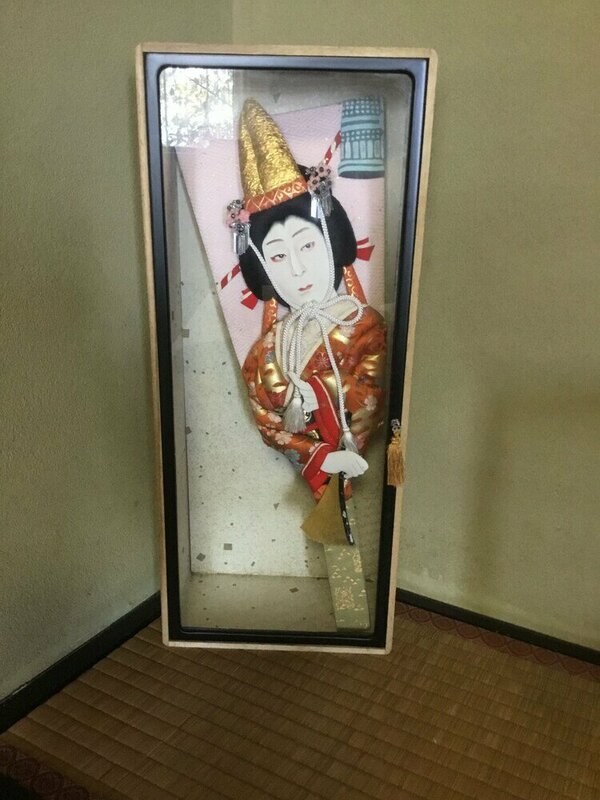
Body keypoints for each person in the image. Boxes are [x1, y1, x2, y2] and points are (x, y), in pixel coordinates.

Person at [229, 99, 386, 519]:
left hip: (355, 466)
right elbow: (268, 422)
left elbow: (370, 394)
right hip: (314, 469)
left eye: (308, 246)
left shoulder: (364, 326)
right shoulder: (264, 353)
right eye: (278, 256)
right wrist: (321, 456)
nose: (296, 269)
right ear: (262, 267)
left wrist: (318, 398)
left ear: (332, 243)